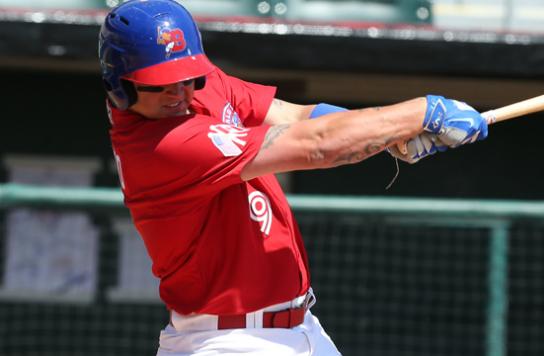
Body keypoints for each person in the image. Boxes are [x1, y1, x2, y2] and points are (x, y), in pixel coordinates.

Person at [98, 0, 488, 355]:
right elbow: (317, 145)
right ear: (120, 83)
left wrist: (387, 135)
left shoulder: (198, 87)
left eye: (187, 77)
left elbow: (299, 117)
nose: (179, 92)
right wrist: (424, 111)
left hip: (300, 327)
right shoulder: (161, 147)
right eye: (160, 82)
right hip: (227, 342)